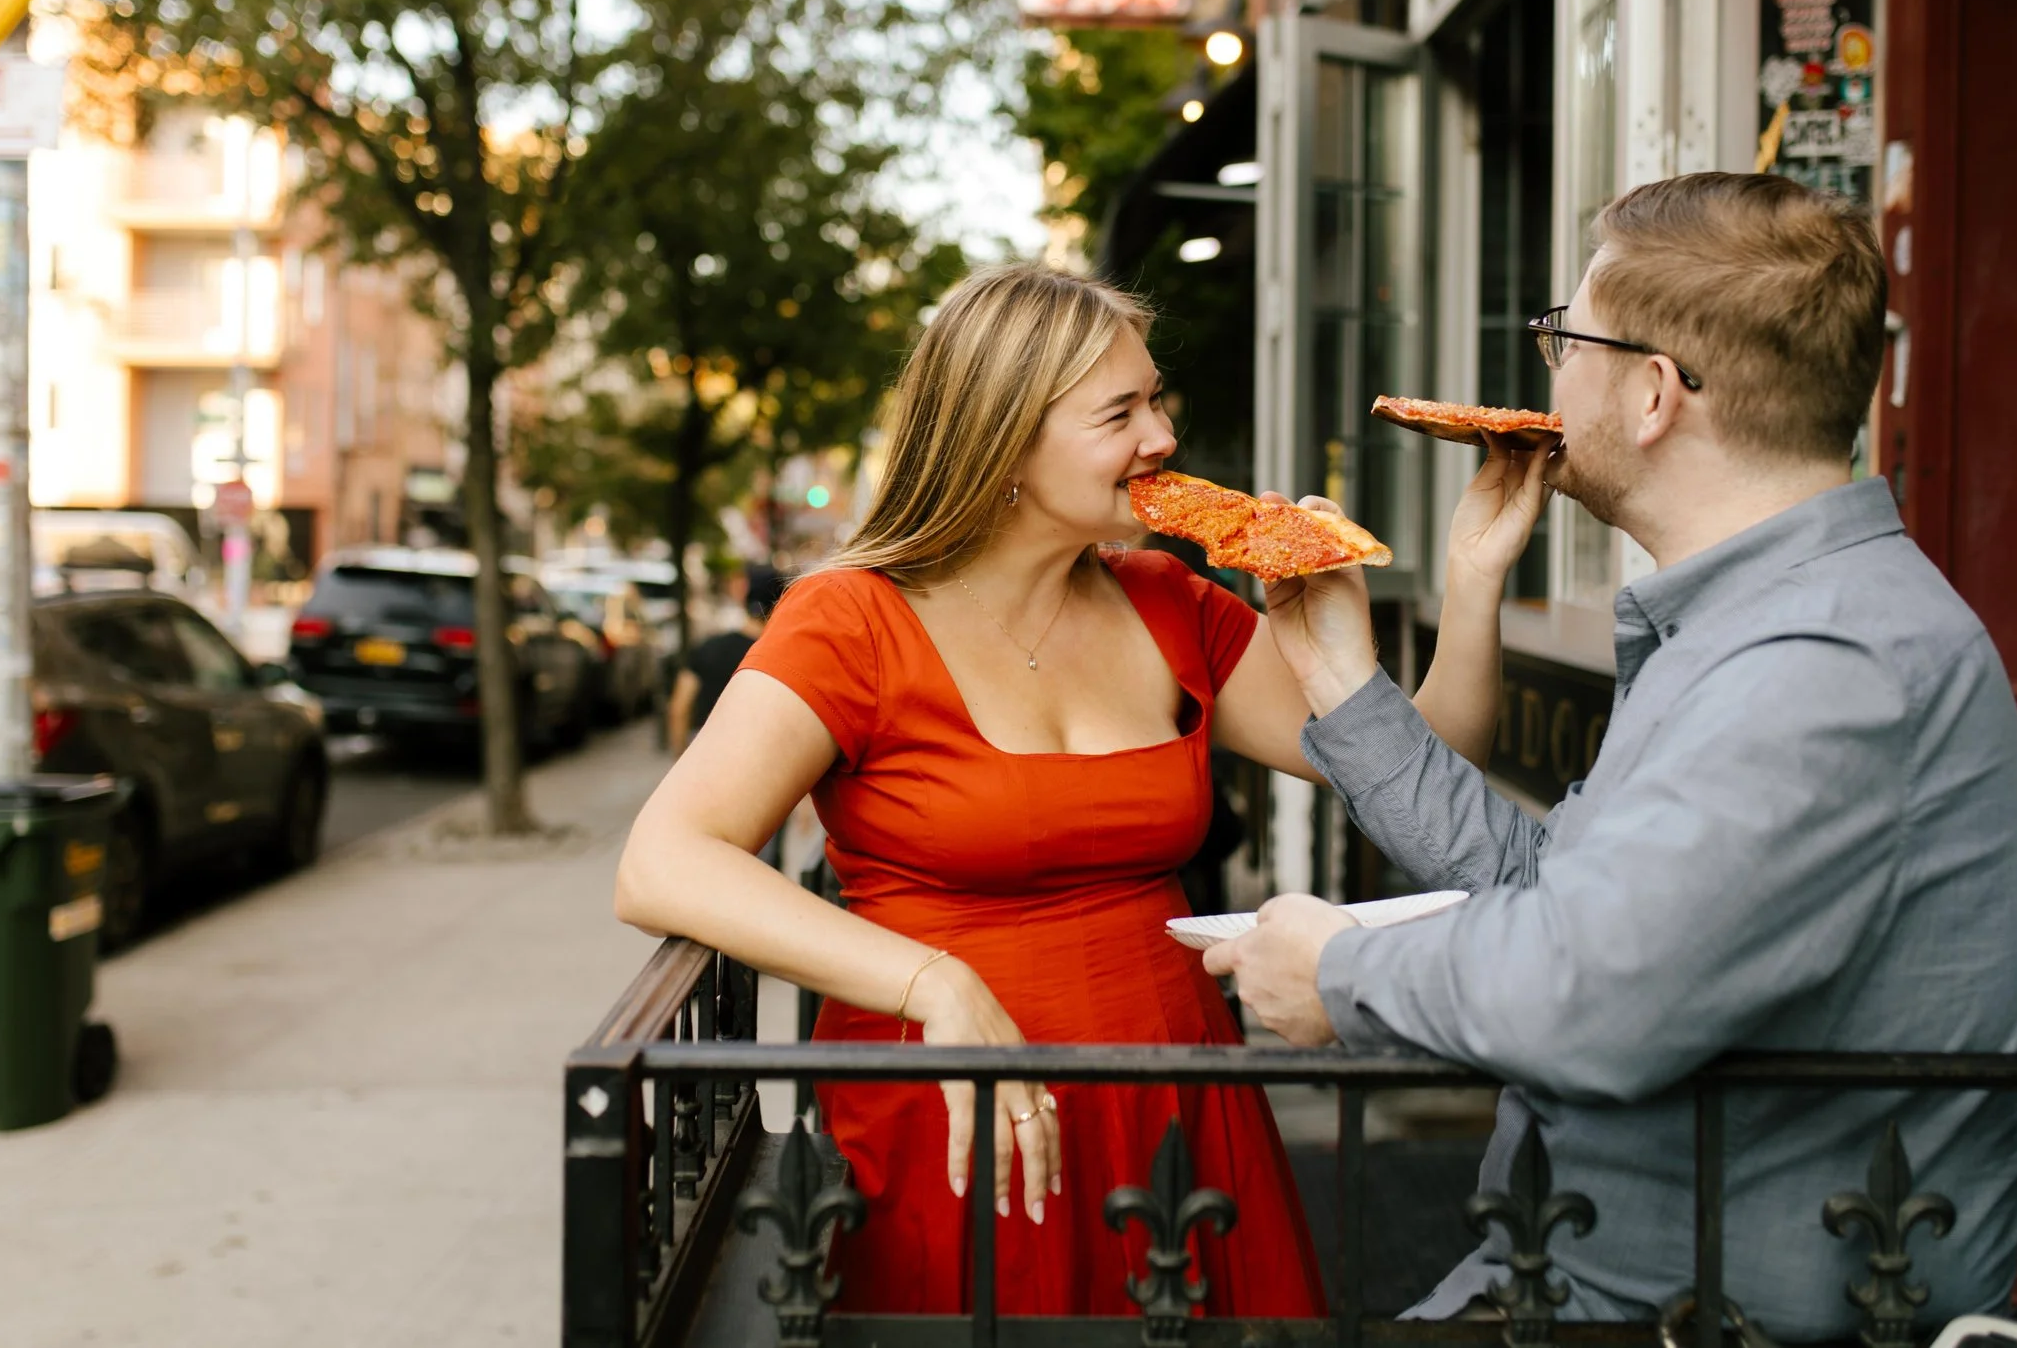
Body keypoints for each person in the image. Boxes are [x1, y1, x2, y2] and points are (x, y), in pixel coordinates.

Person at [1207, 173, 2017, 1338]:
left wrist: (1340, 981)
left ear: (1654, 392)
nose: (1547, 369)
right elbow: (1549, 884)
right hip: (1589, 1284)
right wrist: (1341, 682)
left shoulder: (1825, 660)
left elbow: (1590, 983)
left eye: (1564, 336)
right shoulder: (1749, 626)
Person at [625, 264, 1526, 1316]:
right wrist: (932, 982)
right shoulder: (848, 620)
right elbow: (663, 858)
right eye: (1121, 411)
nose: (1162, 436)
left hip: (1183, 1100)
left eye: (1156, 398)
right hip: (962, 1113)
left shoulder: (1169, 600)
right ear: (1005, 437)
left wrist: (1472, 576)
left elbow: (1426, 764)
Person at [666, 563, 785, 755]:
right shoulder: (781, 657)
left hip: (704, 752)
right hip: (757, 756)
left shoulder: (708, 648)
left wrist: (680, 756)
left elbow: (679, 707)